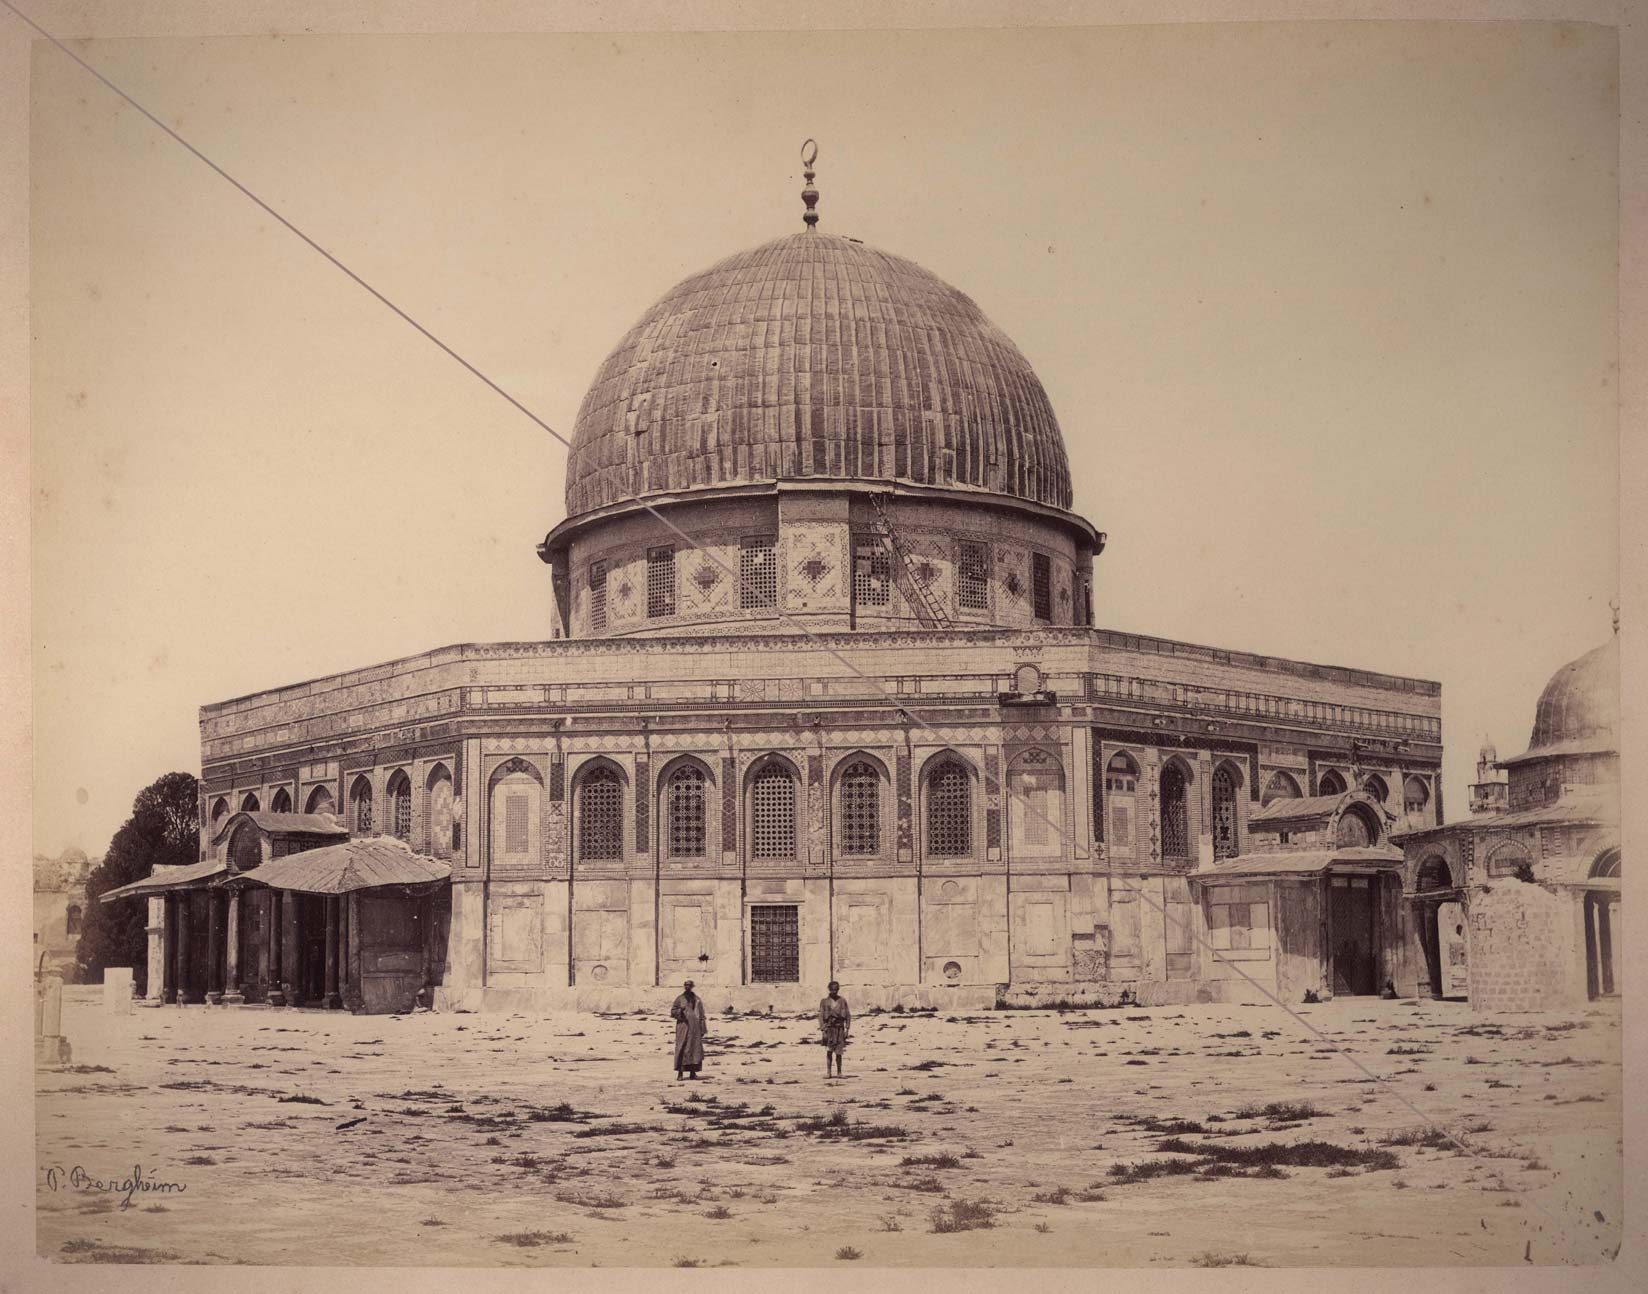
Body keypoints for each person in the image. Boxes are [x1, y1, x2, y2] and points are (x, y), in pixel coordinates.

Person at [670, 979, 708, 1080]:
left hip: (695, 1029)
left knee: (694, 1050)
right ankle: (680, 1074)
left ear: (692, 986)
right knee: (682, 1048)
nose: (688, 987)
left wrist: (703, 1029)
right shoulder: (679, 999)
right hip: (683, 1027)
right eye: (686, 985)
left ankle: (693, 1073)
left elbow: (702, 1015)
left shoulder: (697, 999)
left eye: (689, 985)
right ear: (684, 986)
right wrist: (680, 1011)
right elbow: (673, 1011)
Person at [819, 981, 851, 1077]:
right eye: (832, 989)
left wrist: (847, 1029)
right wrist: (823, 1029)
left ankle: (839, 1072)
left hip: (839, 1029)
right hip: (829, 1029)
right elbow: (821, 1016)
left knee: (839, 1052)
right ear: (829, 989)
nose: (834, 991)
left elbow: (848, 1015)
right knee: (829, 1051)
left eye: (836, 989)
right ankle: (828, 1072)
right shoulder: (824, 1001)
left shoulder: (842, 1001)